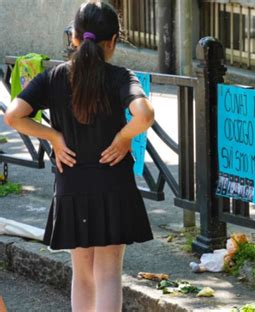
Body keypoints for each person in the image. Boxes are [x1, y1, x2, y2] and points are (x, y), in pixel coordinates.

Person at [4, 2, 154, 311]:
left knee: (83, 275)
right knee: (109, 274)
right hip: (113, 184)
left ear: (73, 37)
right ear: (113, 41)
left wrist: (54, 137)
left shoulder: (53, 77)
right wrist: (124, 137)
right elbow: (145, 114)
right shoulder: (120, 76)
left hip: (71, 185)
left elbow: (14, 116)